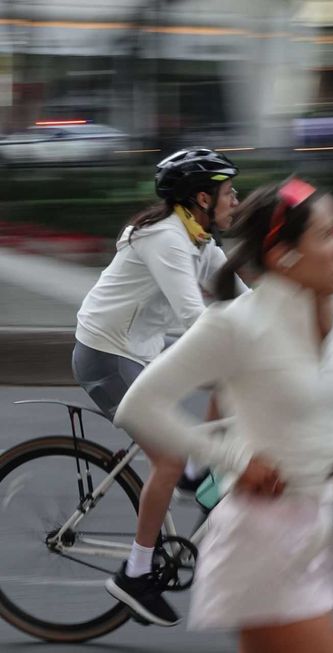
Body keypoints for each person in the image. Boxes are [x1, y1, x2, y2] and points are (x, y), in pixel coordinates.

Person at [114, 178, 333, 653]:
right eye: (328, 234)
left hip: (312, 537)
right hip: (261, 544)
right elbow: (140, 406)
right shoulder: (237, 326)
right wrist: (233, 457)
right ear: (282, 254)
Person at [72, 147, 247, 626]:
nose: (236, 199)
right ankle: (135, 573)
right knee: (167, 458)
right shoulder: (168, 240)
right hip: (106, 357)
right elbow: (195, 318)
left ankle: (196, 475)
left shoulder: (199, 242)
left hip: (141, 355)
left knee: (226, 388)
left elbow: (242, 301)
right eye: (229, 192)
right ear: (201, 199)